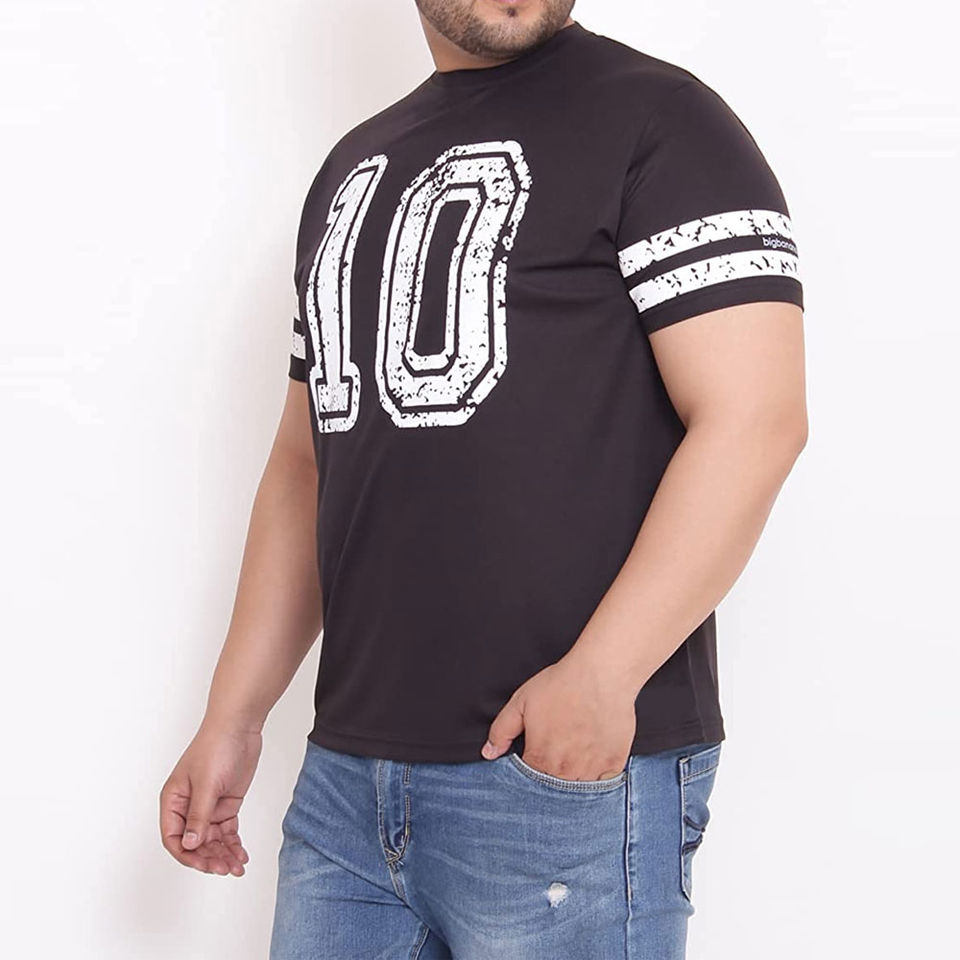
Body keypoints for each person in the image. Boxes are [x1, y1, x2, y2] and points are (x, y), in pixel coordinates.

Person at [160, 2, 807, 957]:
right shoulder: (354, 166)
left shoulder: (665, 121)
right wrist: (237, 714)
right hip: (346, 783)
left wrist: (600, 678)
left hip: (559, 776)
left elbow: (756, 420)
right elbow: (305, 464)